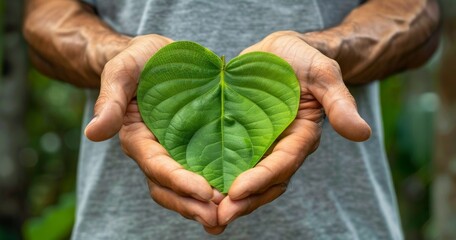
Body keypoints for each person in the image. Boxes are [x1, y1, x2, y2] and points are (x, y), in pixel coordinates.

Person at [23, 0, 440, 239]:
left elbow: (418, 14)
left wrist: (328, 51)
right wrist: (113, 57)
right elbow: (44, 18)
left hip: (336, 225)